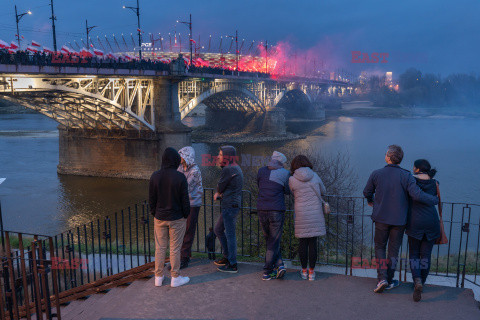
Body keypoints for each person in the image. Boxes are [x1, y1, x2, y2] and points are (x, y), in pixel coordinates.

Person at [363, 145, 439, 293]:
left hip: (381, 218)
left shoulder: (376, 174)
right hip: (399, 221)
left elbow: (367, 192)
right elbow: (417, 195)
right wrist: (434, 200)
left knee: (379, 248)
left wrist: (371, 200)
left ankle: (382, 279)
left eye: (386, 154)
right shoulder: (407, 176)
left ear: (388, 157)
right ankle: (390, 281)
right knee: (393, 251)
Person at [149, 147, 190, 288]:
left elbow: (152, 199)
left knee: (160, 248)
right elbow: (185, 200)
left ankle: (158, 277)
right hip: (177, 218)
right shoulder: (180, 177)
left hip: (160, 217)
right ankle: (175, 278)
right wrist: (186, 214)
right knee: (175, 248)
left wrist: (155, 213)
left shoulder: (155, 176)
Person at [406, 159, 441, 302]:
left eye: (414, 167)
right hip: (432, 222)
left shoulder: (412, 182)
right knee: (425, 255)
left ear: (417, 169)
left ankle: (417, 281)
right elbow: (435, 199)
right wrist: (434, 200)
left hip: (415, 222)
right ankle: (422, 282)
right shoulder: (435, 183)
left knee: (414, 254)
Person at [289, 155, 327, 281]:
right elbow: (323, 191)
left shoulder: (292, 179)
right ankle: (312, 273)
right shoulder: (315, 176)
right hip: (315, 212)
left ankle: (304, 271)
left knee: (302, 243)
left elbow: (291, 192)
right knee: (313, 243)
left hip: (301, 213)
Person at [257, 151, 290, 280]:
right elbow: (287, 191)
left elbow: (260, 185)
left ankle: (280, 265)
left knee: (270, 240)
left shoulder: (261, 171)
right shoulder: (285, 173)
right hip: (276, 209)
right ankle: (267, 271)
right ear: (281, 163)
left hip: (261, 209)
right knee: (274, 241)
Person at [213, 146, 244, 273]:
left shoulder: (228, 169)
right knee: (218, 229)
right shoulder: (235, 167)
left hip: (229, 206)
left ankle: (232, 264)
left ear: (226, 156)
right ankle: (227, 256)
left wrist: (218, 193)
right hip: (232, 204)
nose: (218, 157)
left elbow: (220, 187)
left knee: (230, 235)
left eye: (220, 155)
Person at [178, 146, 204, 269]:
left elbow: (186, 188)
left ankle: (184, 258)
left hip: (193, 204)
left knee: (188, 230)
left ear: (187, 157)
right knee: (181, 230)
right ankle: (182, 255)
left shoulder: (195, 171)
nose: (179, 157)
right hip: (182, 202)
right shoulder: (179, 167)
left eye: (181, 155)